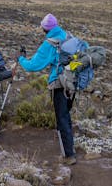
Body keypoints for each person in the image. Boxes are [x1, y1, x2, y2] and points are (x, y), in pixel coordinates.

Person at [17, 13, 77, 165]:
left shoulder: (50, 44)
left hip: (58, 85)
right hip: (72, 83)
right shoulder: (67, 36)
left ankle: (69, 156)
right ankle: (70, 149)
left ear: (45, 29)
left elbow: (33, 66)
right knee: (66, 116)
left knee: (61, 118)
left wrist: (20, 59)